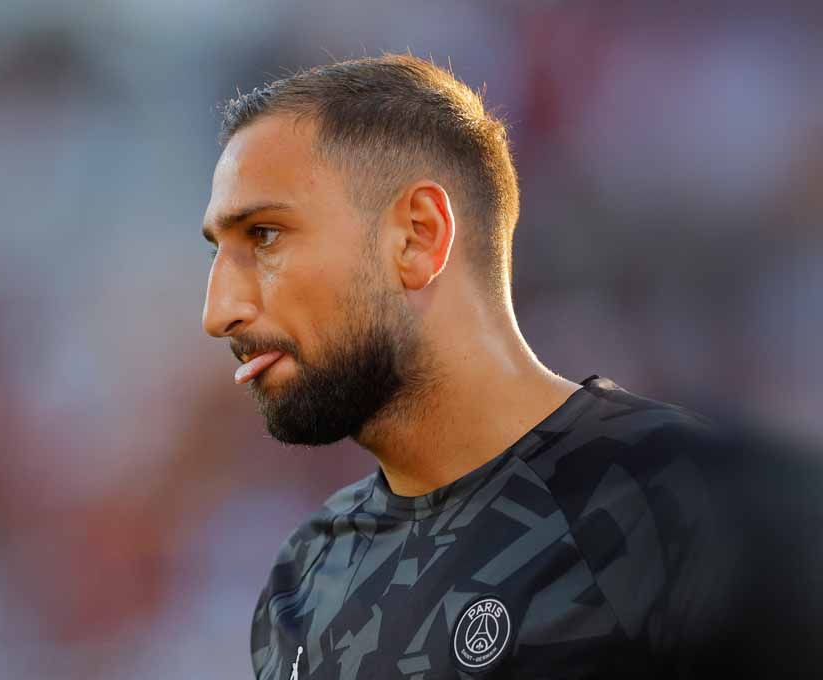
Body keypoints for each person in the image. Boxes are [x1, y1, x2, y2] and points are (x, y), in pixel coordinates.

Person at [199, 54, 819, 679]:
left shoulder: (692, 505)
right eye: (218, 250)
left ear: (418, 235)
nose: (218, 312)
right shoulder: (303, 580)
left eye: (265, 235)